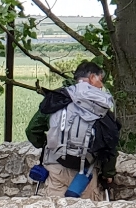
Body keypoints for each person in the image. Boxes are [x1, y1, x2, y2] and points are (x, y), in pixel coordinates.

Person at [25, 61, 119, 200]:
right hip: (86, 172)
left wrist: (49, 144)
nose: (102, 85)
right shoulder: (100, 106)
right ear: (93, 77)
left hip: (56, 167)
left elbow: (32, 130)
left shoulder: (57, 99)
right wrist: (108, 173)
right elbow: (110, 143)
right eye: (101, 80)